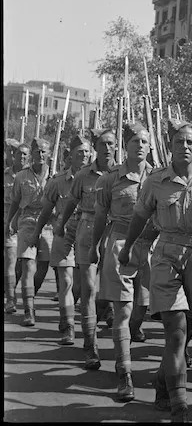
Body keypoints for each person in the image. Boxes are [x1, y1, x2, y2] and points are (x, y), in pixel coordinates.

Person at [119, 119, 192, 423]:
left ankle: (164, 382)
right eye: (179, 143)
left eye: (190, 143)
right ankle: (180, 405)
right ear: (170, 147)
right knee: (176, 332)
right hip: (166, 257)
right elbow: (139, 216)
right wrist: (127, 247)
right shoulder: (156, 181)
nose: (185, 147)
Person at [89, 122, 153, 402]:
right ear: (125, 145)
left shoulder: (159, 178)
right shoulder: (110, 179)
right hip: (119, 242)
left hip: (151, 246)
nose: (140, 145)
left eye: (144, 141)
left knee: (144, 307)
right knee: (123, 312)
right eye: (134, 141)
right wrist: (94, 247)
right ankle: (124, 371)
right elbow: (101, 216)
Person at [58, 127, 118, 370]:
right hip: (87, 228)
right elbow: (71, 203)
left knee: (111, 287)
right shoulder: (84, 175)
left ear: (116, 146)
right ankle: (90, 345)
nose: (106, 148)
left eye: (110, 144)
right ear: (95, 147)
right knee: (89, 288)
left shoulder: (121, 174)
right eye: (102, 144)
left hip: (113, 231)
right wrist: (61, 226)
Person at [31, 134, 91, 345]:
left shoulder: (98, 179)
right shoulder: (57, 182)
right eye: (79, 153)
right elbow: (47, 210)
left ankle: (69, 313)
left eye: (86, 151)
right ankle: (68, 326)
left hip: (88, 234)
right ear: (71, 156)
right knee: (65, 281)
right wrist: (36, 231)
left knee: (81, 286)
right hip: (63, 232)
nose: (83, 155)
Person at [5, 138, 53, 327]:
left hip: (48, 223)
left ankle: (31, 292)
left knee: (43, 267)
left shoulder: (54, 176)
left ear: (49, 153)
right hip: (27, 220)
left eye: (43, 152)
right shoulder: (21, 177)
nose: (40, 155)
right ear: (31, 154)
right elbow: (15, 202)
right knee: (27, 265)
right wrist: (10, 222)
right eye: (37, 151)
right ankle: (29, 310)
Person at [4, 140, 30, 314]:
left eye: (22, 154)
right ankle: (11, 299)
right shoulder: (5, 175)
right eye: (14, 153)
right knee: (11, 259)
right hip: (9, 220)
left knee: (26, 263)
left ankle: (21, 293)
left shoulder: (30, 175)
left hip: (28, 221)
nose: (18, 156)